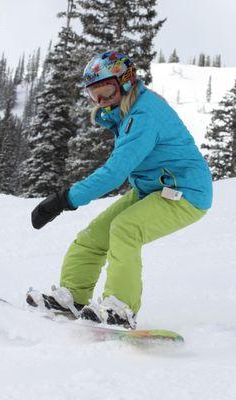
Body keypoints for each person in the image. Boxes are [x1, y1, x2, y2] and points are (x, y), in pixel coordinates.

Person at [28, 50, 213, 329]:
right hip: (151, 190)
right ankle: (73, 297)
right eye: (94, 96)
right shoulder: (128, 111)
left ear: (125, 82)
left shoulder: (144, 115)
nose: (101, 102)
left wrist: (63, 200)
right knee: (94, 236)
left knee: (126, 228)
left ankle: (120, 308)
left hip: (186, 192)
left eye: (106, 92)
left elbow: (114, 173)